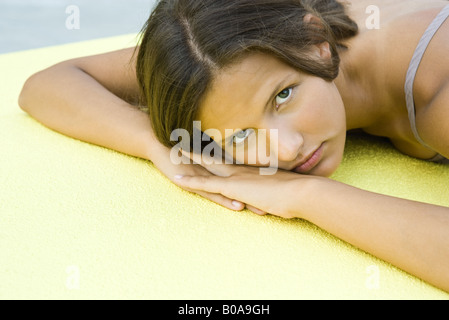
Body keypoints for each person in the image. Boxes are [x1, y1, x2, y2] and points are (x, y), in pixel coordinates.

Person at [18, 0, 449, 292]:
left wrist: (305, 194)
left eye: (283, 96)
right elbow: (49, 83)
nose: (284, 151)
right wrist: (165, 149)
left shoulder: (437, 87)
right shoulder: (226, 56)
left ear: (318, 42)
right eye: (241, 136)